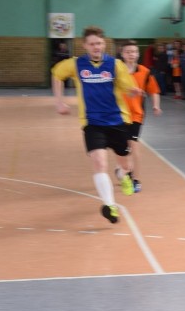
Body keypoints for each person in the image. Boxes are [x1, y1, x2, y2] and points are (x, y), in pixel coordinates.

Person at [51, 26, 142, 223]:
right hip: (92, 122)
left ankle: (123, 175)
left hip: (117, 120)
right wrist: (59, 101)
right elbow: (57, 74)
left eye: (99, 43)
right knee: (99, 163)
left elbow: (127, 85)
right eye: (92, 43)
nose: (96, 46)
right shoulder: (76, 64)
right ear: (85, 45)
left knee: (124, 163)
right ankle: (110, 206)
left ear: (104, 44)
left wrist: (134, 90)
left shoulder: (115, 65)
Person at [113, 40, 162, 194]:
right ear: (122, 54)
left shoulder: (145, 72)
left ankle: (135, 179)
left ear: (138, 54)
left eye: (134, 52)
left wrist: (156, 105)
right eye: (128, 52)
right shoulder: (115, 70)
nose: (131, 55)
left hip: (136, 115)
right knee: (122, 148)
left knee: (134, 146)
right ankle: (123, 169)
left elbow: (154, 91)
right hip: (118, 115)